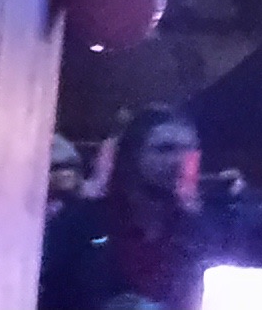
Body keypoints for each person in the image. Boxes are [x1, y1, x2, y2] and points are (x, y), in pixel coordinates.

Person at [41, 108, 234, 310]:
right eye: (165, 149)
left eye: (189, 151)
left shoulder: (208, 227)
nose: (179, 160)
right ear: (132, 156)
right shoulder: (80, 225)